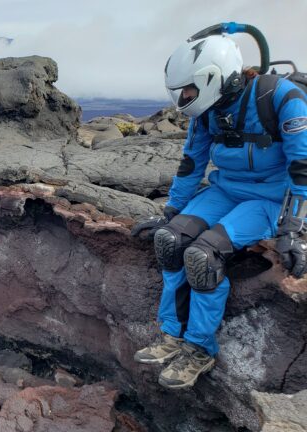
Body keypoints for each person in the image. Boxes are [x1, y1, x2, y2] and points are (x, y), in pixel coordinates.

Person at [131, 33, 307, 389]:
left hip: (270, 198)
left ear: (214, 76)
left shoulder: (282, 98)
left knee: (202, 255)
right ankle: (172, 334)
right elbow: (191, 163)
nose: (184, 99)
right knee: (169, 240)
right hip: (225, 189)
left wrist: (292, 229)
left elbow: (302, 167)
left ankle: (199, 347)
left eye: (189, 91)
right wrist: (172, 212)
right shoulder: (209, 111)